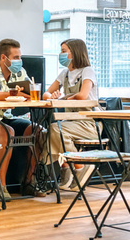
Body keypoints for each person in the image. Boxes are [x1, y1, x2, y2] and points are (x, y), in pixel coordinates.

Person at [0, 38, 45, 200]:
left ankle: (29, 182)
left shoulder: (20, 73)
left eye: (20, 57)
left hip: (7, 117)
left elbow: (29, 94)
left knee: (37, 130)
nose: (19, 61)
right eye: (16, 58)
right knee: (8, 131)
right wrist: (10, 95)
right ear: (3, 58)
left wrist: (30, 96)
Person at [42, 38, 101, 191]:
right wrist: (52, 97)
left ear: (74, 53)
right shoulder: (65, 74)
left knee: (55, 130)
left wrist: (63, 98)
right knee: (49, 132)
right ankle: (66, 167)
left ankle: (80, 167)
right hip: (72, 123)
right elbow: (45, 94)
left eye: (63, 51)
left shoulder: (88, 71)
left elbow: (82, 95)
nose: (60, 54)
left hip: (90, 123)